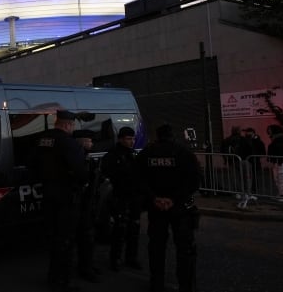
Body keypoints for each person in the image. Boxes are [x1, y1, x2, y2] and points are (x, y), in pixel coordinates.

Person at [136, 124, 201, 292]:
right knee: (184, 250)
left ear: (157, 135)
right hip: (179, 208)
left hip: (156, 208)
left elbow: (138, 180)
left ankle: (156, 284)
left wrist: (154, 198)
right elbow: (194, 181)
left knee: (156, 247)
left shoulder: (146, 154)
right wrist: (173, 199)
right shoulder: (184, 153)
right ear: (173, 135)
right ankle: (185, 286)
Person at [30, 110, 89, 292]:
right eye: (72, 126)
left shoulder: (41, 140)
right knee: (66, 241)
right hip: (66, 198)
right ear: (67, 125)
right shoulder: (68, 143)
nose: (72, 129)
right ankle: (63, 281)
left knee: (54, 238)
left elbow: (31, 164)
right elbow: (82, 173)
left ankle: (52, 277)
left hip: (48, 195)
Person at [101, 126, 143, 272]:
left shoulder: (133, 154)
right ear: (120, 139)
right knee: (119, 230)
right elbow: (108, 174)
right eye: (128, 139)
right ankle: (116, 259)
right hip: (121, 197)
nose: (131, 141)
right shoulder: (113, 155)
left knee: (134, 229)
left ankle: (131, 258)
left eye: (133, 139)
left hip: (134, 198)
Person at [73, 129, 101, 283]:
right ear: (83, 142)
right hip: (80, 206)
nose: (92, 144)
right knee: (85, 238)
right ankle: (85, 268)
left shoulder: (85, 158)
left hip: (86, 205)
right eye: (90, 141)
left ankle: (88, 264)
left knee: (89, 238)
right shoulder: (79, 160)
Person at [266, 124, 283, 201]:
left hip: (281, 162)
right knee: (277, 179)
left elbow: (282, 151)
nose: (268, 132)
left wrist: (278, 160)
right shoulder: (276, 139)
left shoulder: (280, 140)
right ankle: (281, 194)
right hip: (277, 162)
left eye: (270, 130)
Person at [233, 126, 255, 209]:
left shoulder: (240, 140)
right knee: (247, 178)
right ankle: (246, 194)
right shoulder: (245, 140)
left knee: (240, 178)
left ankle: (243, 194)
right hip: (245, 160)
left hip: (239, 160)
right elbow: (250, 149)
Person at [247, 127, 266, 195]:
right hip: (249, 160)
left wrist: (257, 155)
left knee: (254, 175)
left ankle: (254, 188)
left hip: (254, 160)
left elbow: (262, 151)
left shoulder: (258, 141)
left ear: (253, 132)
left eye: (249, 132)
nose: (247, 133)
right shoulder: (247, 140)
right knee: (249, 175)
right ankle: (251, 188)